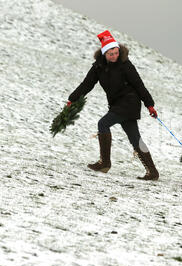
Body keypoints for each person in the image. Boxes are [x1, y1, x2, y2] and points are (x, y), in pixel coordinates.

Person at [67, 30, 159, 180]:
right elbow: (87, 84)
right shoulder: (98, 67)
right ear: (104, 54)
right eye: (111, 54)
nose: (115, 56)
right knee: (135, 138)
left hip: (129, 103)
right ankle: (153, 172)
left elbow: (139, 84)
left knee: (103, 123)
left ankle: (105, 163)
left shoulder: (126, 65)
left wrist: (149, 104)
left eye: (116, 52)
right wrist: (73, 99)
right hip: (117, 104)